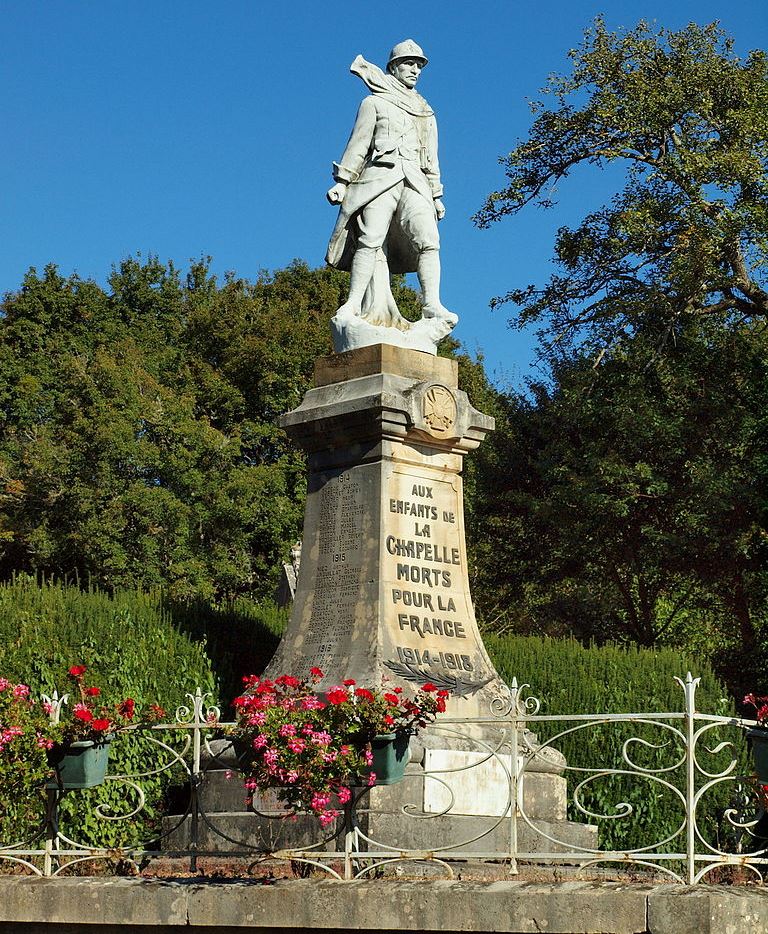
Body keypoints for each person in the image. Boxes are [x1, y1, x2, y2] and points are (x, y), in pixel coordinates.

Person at [326, 40, 457, 331]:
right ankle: (354, 303)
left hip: (416, 180)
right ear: (394, 67)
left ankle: (431, 303)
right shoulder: (373, 102)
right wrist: (343, 182)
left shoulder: (426, 111)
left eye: (419, 65)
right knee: (370, 239)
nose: (415, 70)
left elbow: (431, 157)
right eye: (409, 63)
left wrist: (436, 195)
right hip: (380, 177)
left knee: (429, 241)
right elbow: (358, 145)